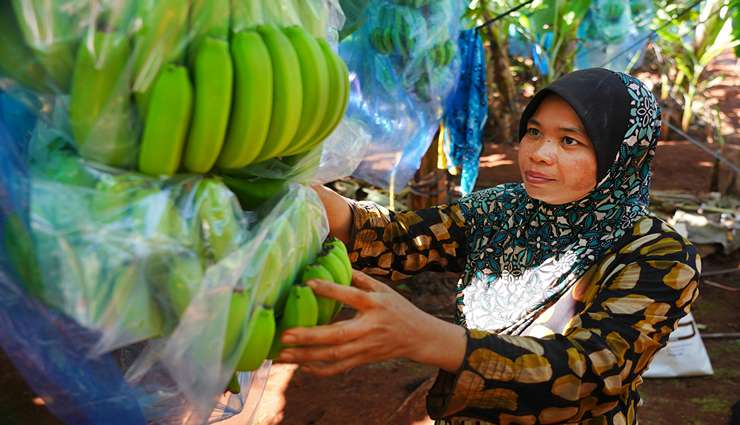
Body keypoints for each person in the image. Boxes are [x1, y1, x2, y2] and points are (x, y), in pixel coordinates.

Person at [277, 68, 701, 424]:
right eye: (534, 132)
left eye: (569, 140)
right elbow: (405, 239)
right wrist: (301, 192)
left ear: (620, 155)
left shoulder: (657, 254)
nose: (539, 153)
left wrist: (428, 337)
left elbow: (591, 370)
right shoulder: (503, 209)